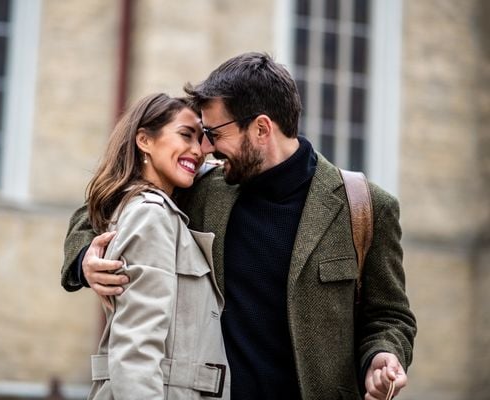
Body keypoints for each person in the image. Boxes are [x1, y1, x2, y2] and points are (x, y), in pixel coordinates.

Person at [62, 53, 416, 400]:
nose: (207, 149)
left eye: (213, 133)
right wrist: (85, 260)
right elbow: (106, 202)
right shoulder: (203, 189)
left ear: (261, 128)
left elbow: (389, 315)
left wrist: (383, 355)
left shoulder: (366, 207)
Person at [80, 93, 230, 399]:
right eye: (186, 135)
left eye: (202, 139)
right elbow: (136, 347)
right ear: (144, 141)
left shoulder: (146, 209)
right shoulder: (151, 214)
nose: (197, 150)